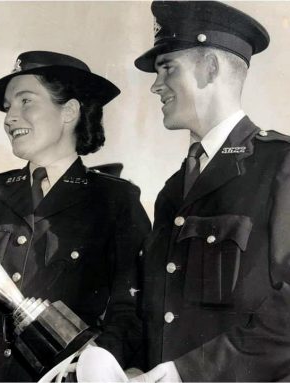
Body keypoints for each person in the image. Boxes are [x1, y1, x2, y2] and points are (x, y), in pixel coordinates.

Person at [0, 50, 151, 381]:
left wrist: (89, 368)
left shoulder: (115, 200)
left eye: (25, 101)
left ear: (69, 111)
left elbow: (129, 312)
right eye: (7, 107)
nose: (9, 117)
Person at [132, 1, 290, 381]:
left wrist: (189, 373)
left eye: (167, 68)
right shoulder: (175, 189)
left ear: (211, 68)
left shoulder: (280, 165)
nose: (155, 85)